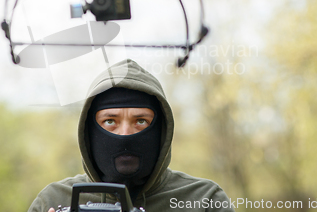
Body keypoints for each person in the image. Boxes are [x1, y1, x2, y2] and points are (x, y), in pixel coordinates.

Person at [28, 59, 235, 211]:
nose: (125, 134)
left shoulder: (204, 200)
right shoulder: (54, 200)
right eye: (110, 122)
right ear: (89, 132)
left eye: (141, 121)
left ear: (161, 130)